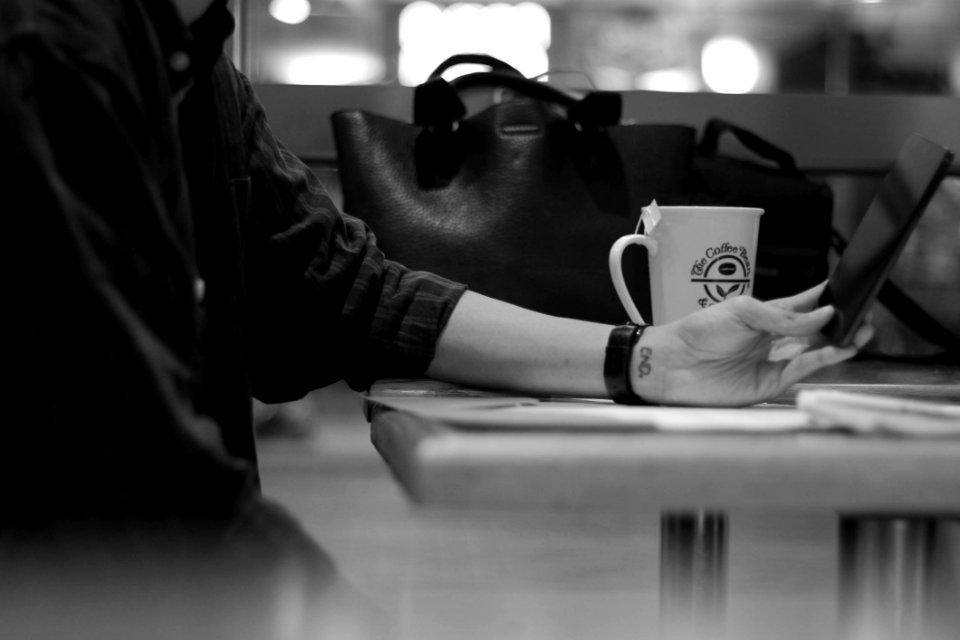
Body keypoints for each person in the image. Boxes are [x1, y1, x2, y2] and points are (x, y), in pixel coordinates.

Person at [1, 0, 870, 543]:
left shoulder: (195, 61)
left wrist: (648, 358)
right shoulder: (51, 52)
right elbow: (138, 473)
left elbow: (347, 289)